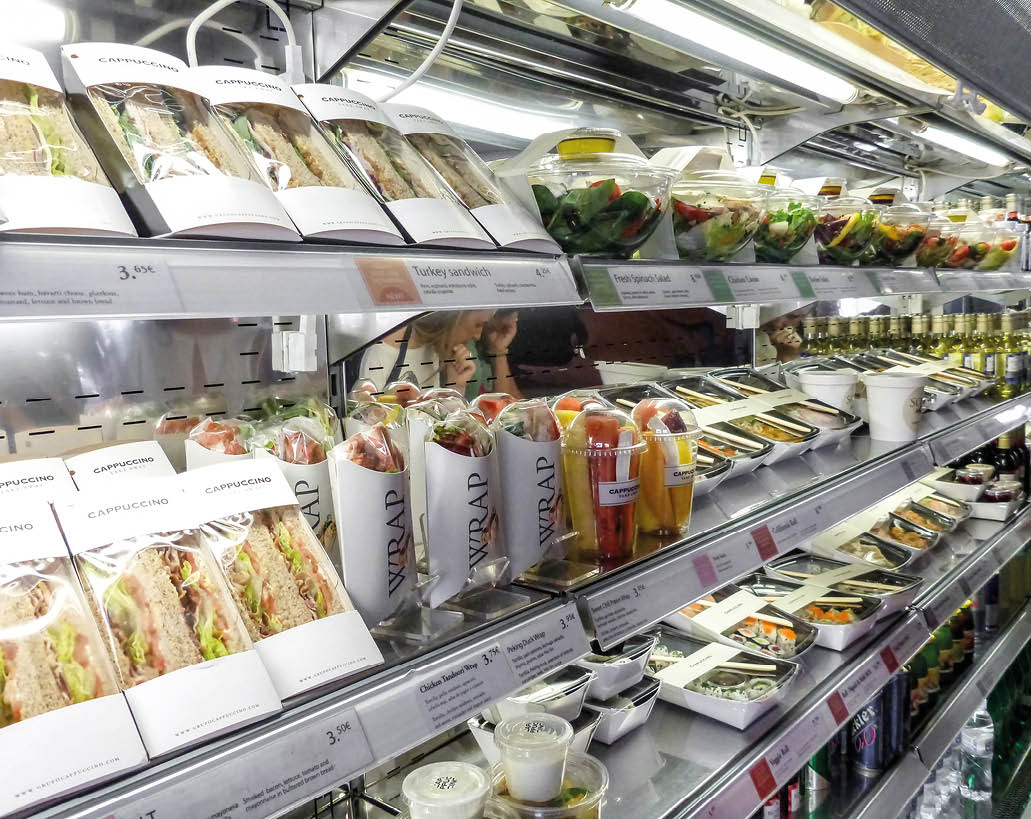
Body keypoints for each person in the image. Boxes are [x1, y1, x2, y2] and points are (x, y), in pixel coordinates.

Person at [357, 310, 523, 400]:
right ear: (454, 318)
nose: (478, 336)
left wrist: (457, 387)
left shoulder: (436, 351)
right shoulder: (383, 350)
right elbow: (366, 426)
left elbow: (443, 429)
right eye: (478, 324)